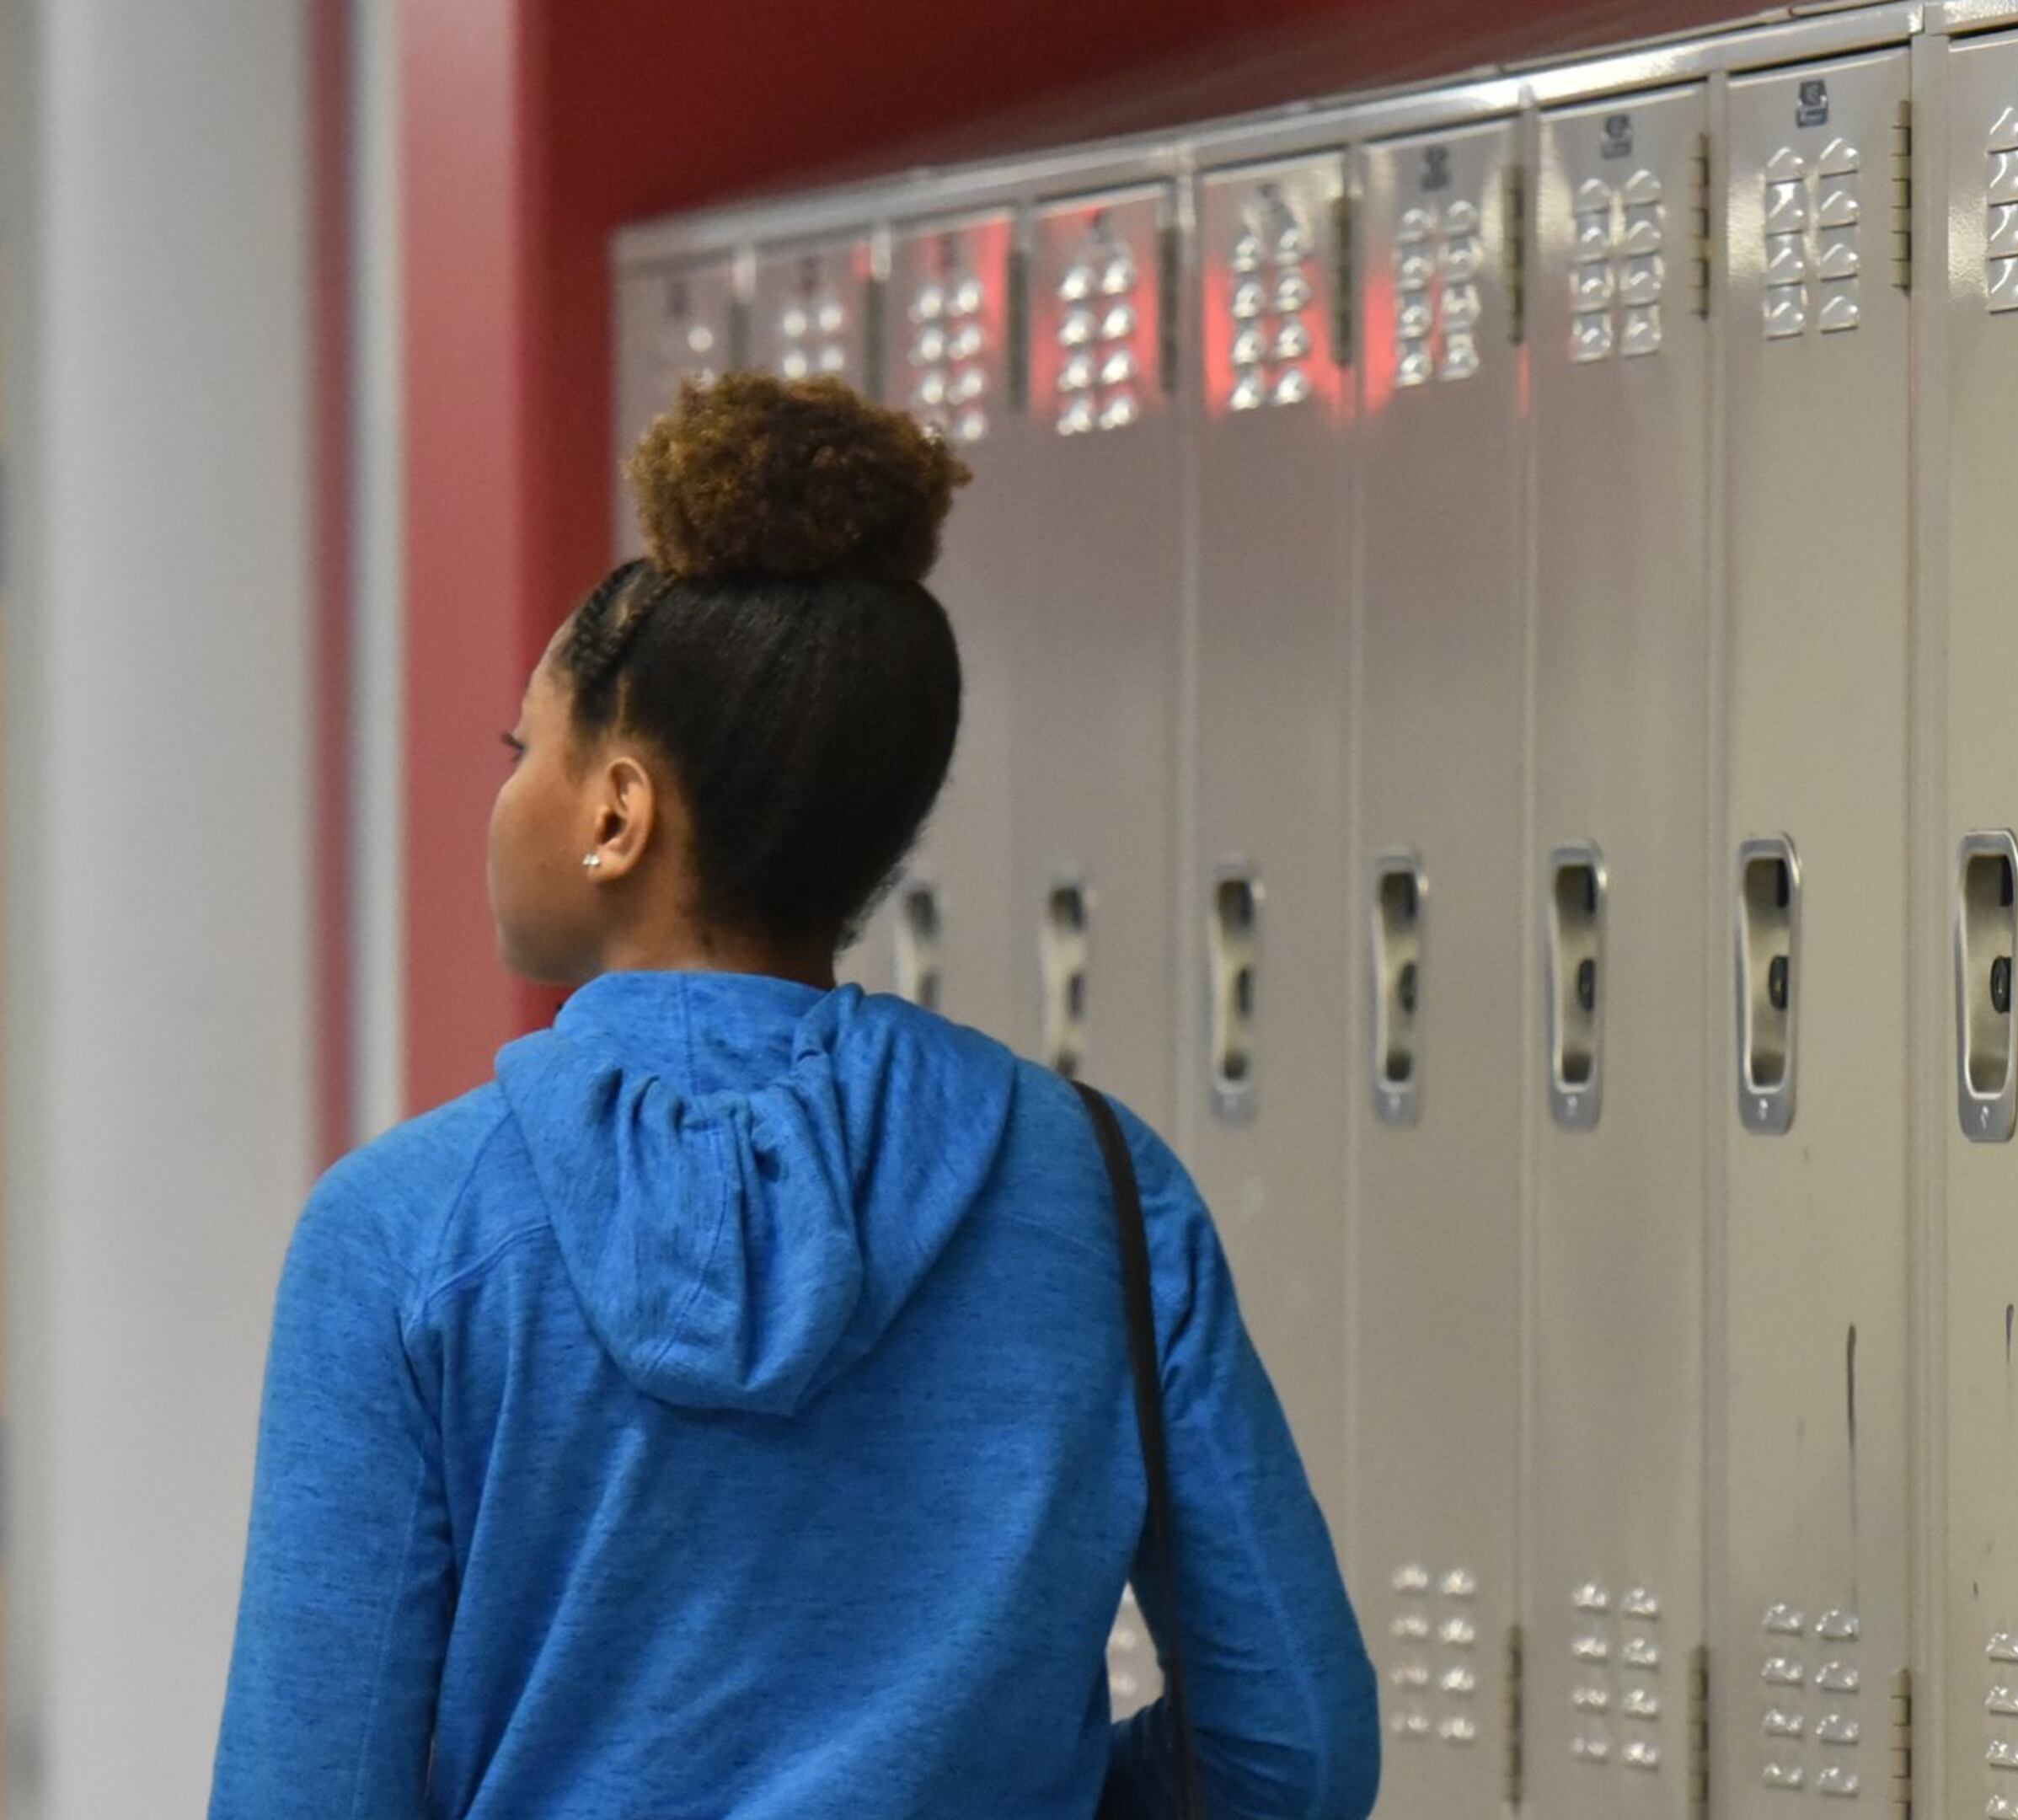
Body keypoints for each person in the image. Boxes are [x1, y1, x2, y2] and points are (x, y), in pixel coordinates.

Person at [210, 375, 1377, 1817]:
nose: (503, 793)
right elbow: (1296, 1748)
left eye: (526, 752)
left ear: (617, 813)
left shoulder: (403, 1235)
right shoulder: (1102, 1194)